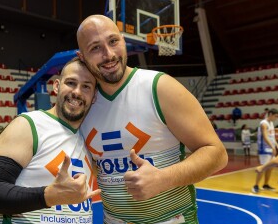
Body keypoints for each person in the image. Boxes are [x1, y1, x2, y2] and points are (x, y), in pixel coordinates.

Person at [76, 14, 228, 224]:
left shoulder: (160, 87)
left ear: (123, 40)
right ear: (81, 57)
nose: (109, 54)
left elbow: (217, 153)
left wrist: (164, 179)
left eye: (113, 41)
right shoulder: (84, 104)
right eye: (95, 48)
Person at [0, 57, 101, 223]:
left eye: (86, 86)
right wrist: (48, 196)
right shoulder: (28, 125)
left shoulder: (86, 140)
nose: (77, 91)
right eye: (71, 83)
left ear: (94, 96)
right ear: (56, 86)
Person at [252, 108, 278, 194]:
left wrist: (277, 146)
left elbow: (272, 137)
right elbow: (265, 137)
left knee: (271, 167)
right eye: (275, 116)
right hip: (264, 148)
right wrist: (273, 147)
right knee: (263, 167)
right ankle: (256, 186)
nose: (276, 118)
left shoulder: (271, 123)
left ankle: (265, 184)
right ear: (270, 114)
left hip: (271, 147)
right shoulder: (263, 124)